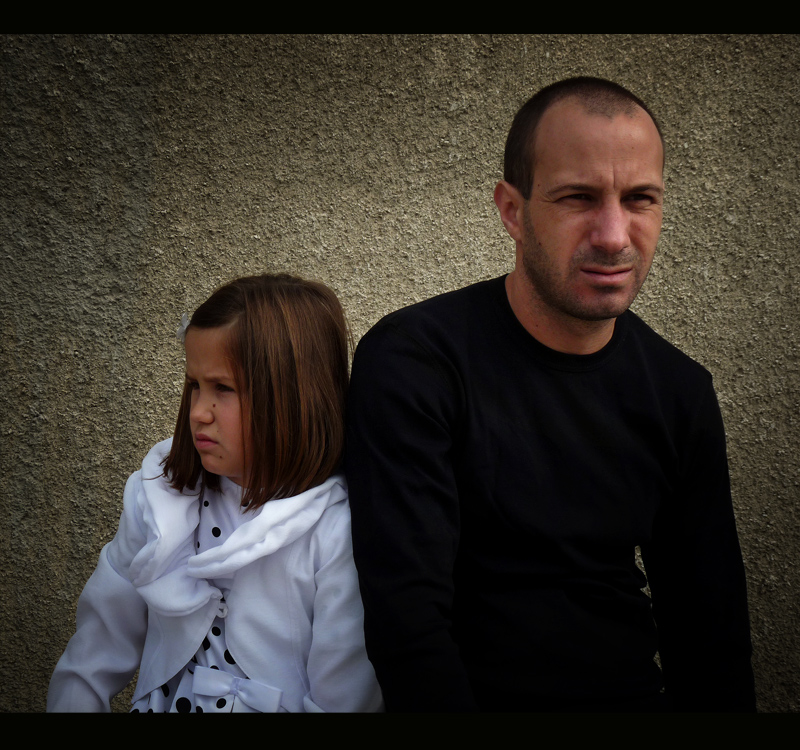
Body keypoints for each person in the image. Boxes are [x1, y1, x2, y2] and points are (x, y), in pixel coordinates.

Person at [344, 77, 755, 712]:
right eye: (578, 197)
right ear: (512, 210)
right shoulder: (415, 362)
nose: (614, 235)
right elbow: (408, 624)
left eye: (640, 199)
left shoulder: (680, 392)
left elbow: (711, 635)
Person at [48, 273, 383, 713]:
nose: (198, 413)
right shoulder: (161, 494)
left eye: (222, 388)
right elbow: (92, 654)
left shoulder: (338, 528)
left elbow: (344, 701)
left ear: (292, 396)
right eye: (194, 385)